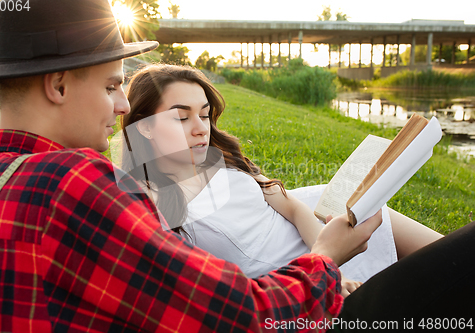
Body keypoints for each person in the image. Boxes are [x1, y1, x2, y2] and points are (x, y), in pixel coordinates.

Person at [0, 0, 383, 332]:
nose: (121, 104)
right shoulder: (77, 181)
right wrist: (326, 260)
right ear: (59, 86)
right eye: (111, 86)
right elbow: (237, 316)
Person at [120, 64, 443, 294]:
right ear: (144, 126)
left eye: (204, 114)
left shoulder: (221, 160)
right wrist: (323, 271)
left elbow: (291, 207)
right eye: (181, 117)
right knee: (448, 275)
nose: (201, 127)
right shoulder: (149, 203)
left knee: (450, 257)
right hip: (291, 280)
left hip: (317, 235)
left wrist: (325, 251)